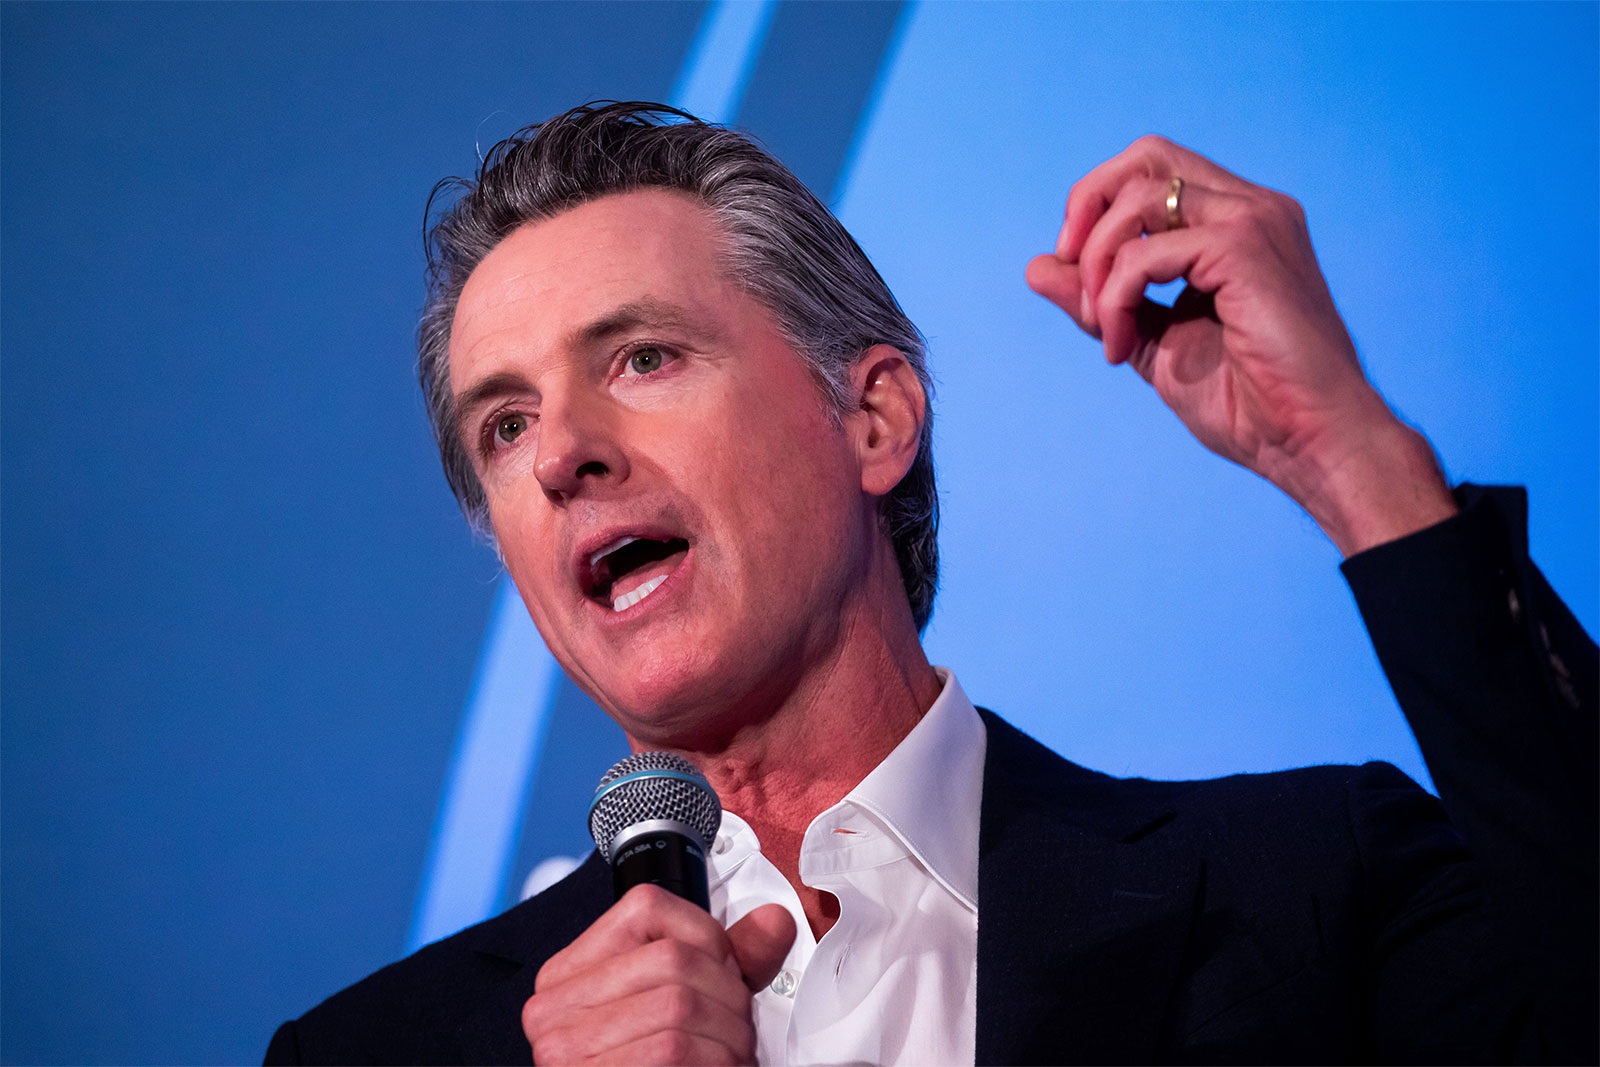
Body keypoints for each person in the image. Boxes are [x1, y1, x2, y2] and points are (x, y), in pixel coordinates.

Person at [265, 102, 1595, 1065]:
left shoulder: (1309, 892)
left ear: (874, 421)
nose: (560, 452)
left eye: (643, 358)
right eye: (503, 427)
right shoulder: (379, 1052)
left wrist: (1355, 459)